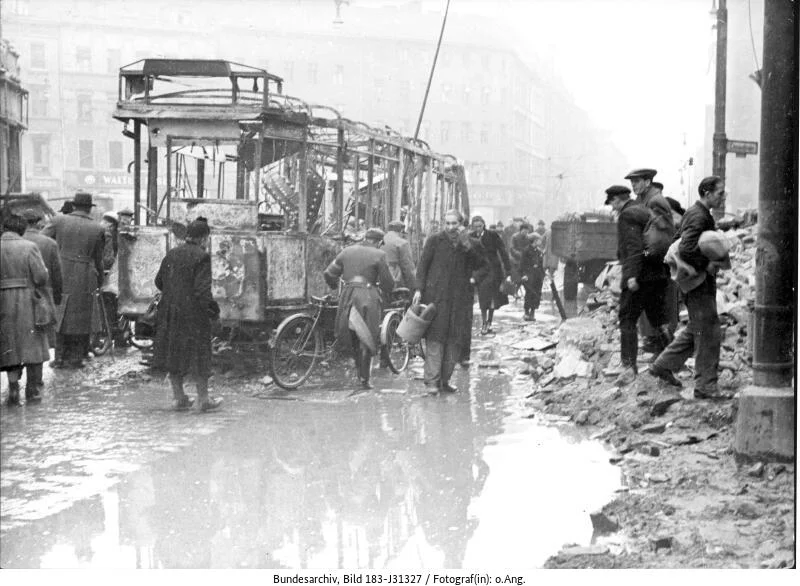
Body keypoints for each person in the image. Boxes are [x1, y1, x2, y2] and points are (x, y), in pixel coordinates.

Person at [649, 176, 727, 399]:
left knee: (697, 327)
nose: (723, 197)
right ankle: (705, 386)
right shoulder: (698, 216)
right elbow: (687, 248)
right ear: (706, 193)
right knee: (709, 331)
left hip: (695, 281)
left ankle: (662, 365)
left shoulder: (699, 214)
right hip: (698, 282)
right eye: (720, 193)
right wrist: (708, 263)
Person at [414, 210, 487, 393]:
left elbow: (484, 266)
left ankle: (444, 381)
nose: (450, 228)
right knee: (435, 340)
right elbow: (423, 266)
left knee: (454, 342)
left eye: (454, 224)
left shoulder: (471, 244)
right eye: (447, 223)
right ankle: (432, 382)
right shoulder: (434, 241)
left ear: (461, 225)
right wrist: (418, 289)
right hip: (436, 298)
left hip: (459, 301)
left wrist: (473, 277)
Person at [604, 185, 671, 387]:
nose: (613, 209)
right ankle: (669, 364)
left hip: (639, 278)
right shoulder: (643, 209)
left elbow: (633, 246)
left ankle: (629, 367)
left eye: (612, 204)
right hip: (656, 275)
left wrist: (631, 276)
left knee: (627, 318)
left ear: (617, 200)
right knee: (658, 319)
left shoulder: (627, 215)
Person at [153, 218, 222, 411]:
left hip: (170, 313)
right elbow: (202, 291)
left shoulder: (172, 254)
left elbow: (159, 282)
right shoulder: (202, 257)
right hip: (193, 315)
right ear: (203, 238)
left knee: (173, 354)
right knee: (200, 355)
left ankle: (179, 397)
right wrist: (213, 313)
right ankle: (203, 400)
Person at [324, 228, 395, 390]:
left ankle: (359, 371)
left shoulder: (346, 251)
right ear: (378, 242)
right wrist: (387, 291)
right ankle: (364, 378)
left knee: (353, 333)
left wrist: (334, 285)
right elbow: (388, 283)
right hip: (368, 297)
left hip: (348, 296)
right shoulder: (379, 255)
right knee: (367, 335)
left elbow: (328, 273)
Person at [42, 191, 106, 368]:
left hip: (62, 270)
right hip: (86, 274)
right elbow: (98, 259)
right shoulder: (98, 228)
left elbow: (43, 239)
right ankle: (76, 358)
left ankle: (60, 357)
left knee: (61, 313)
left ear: (74, 205)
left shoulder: (58, 221)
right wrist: (100, 279)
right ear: (89, 208)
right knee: (81, 316)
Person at [1, 214, 51, 405]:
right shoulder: (29, 247)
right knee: (33, 345)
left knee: (8, 346)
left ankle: (13, 389)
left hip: (2, 301)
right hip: (26, 301)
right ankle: (32, 390)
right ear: (21, 229)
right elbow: (40, 277)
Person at [22, 209, 63, 354]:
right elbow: (57, 274)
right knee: (40, 336)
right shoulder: (50, 243)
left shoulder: (10, 243)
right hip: (43, 296)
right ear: (38, 223)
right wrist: (57, 298)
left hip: (17, 297)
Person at [469, 215, 512, 335]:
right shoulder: (470, 237)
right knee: (483, 296)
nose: (478, 228)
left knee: (492, 297)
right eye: (475, 226)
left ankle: (489, 322)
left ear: (484, 225)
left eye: (480, 226)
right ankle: (484, 322)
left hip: (493, 269)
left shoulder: (492, 235)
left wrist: (508, 270)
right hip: (479, 271)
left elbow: (502, 251)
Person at [382, 220, 418, 290]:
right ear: (401, 231)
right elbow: (407, 267)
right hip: (395, 280)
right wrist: (414, 285)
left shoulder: (379, 240)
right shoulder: (402, 243)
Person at [519, 232, 546, 321]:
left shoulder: (539, 251)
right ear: (534, 241)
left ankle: (533, 312)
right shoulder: (526, 250)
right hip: (529, 275)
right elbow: (522, 264)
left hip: (537, 276)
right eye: (539, 240)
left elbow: (541, 264)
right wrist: (523, 275)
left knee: (537, 294)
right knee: (529, 293)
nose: (540, 242)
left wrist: (543, 275)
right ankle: (526, 311)